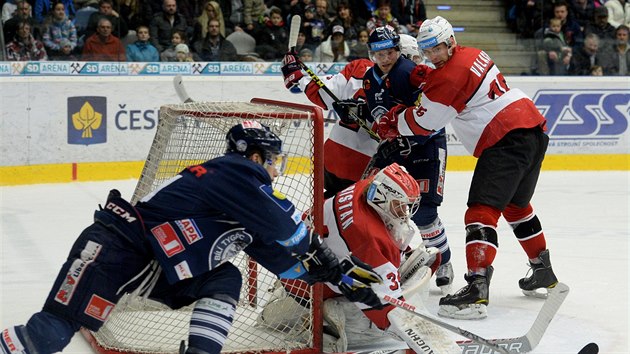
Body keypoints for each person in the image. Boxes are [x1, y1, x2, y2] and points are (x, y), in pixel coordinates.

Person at [0, 121, 382, 354]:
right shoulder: (233, 172)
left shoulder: (244, 202)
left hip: (155, 264)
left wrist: (340, 280)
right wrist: (331, 264)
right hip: (113, 249)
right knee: (47, 335)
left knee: (225, 277)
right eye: (272, 159)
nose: (276, 169)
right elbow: (289, 231)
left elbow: (282, 259)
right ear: (251, 157)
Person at [377, 16, 560, 320]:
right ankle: (543, 271)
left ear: (450, 42)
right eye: (426, 51)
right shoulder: (473, 53)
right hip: (532, 131)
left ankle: (476, 290)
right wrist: (428, 76)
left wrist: (393, 121)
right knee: (516, 206)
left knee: (480, 213)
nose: (432, 56)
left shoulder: (447, 78)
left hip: (505, 137)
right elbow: (452, 79)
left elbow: (424, 123)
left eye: (436, 49)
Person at [282, 28, 455, 293]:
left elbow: (431, 113)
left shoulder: (412, 76)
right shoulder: (368, 77)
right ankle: (369, 264)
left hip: (419, 149)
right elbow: (327, 96)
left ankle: (434, 261)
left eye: (399, 56)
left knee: (421, 212)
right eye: (382, 55)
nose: (390, 61)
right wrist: (346, 106)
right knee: (364, 212)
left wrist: (392, 130)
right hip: (375, 156)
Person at [257, 163, 461, 353]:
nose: (405, 212)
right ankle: (327, 326)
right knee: (377, 310)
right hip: (308, 291)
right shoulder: (367, 239)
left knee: (409, 264)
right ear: (383, 199)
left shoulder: (365, 187)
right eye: (400, 205)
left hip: (298, 268)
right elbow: (385, 310)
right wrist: (427, 339)